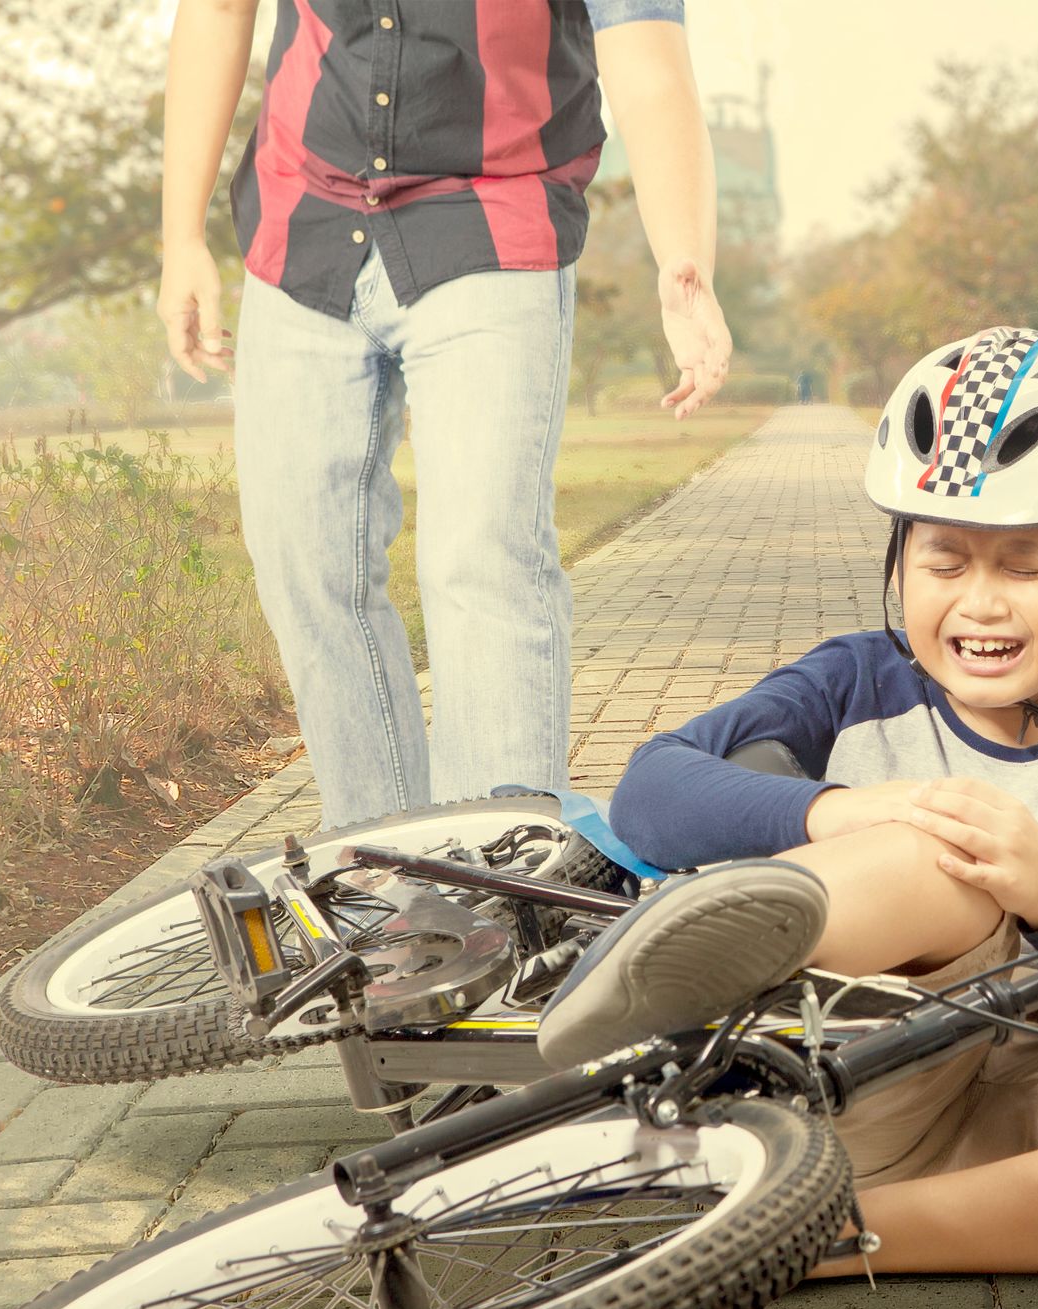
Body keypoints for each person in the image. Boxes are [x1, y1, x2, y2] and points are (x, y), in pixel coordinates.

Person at [539, 327, 1038, 1273]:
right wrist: (842, 812)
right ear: (898, 572)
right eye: (945, 563)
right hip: (840, 1065)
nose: (982, 602)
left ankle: (808, 1238)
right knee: (938, 848)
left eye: (1026, 566)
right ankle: (652, 992)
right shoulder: (854, 680)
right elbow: (649, 788)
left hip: (1022, 1094)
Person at [155, 0, 730, 829]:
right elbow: (217, 9)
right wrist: (181, 237)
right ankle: (380, 862)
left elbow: (648, 62)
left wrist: (684, 259)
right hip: (303, 213)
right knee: (303, 559)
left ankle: (494, 877)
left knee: (481, 557)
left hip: (492, 215)